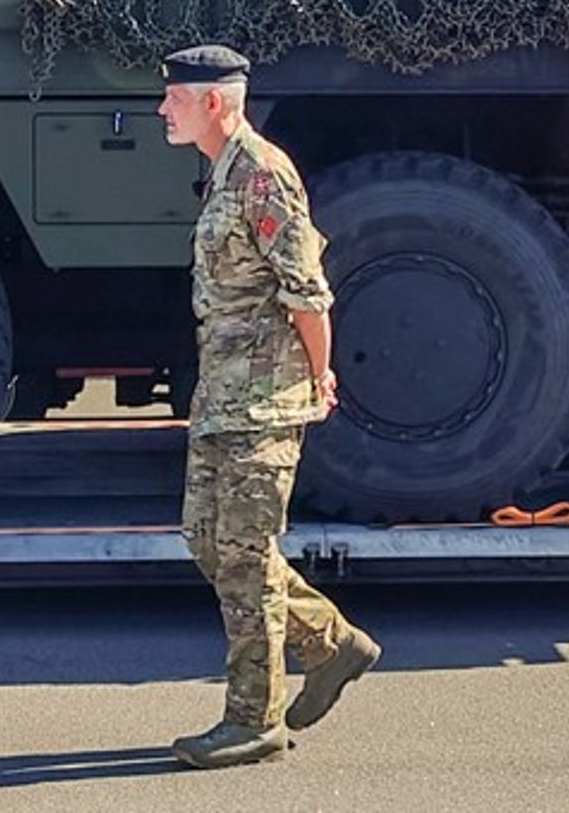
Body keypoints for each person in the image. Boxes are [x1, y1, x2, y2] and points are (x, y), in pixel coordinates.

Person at [157, 44, 380, 770]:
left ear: (214, 102)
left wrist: (319, 379)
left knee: (247, 556)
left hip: (263, 398)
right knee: (207, 541)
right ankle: (330, 642)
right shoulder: (224, 173)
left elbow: (308, 293)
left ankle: (251, 719)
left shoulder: (262, 175)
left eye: (176, 98)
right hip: (221, 396)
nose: (164, 108)